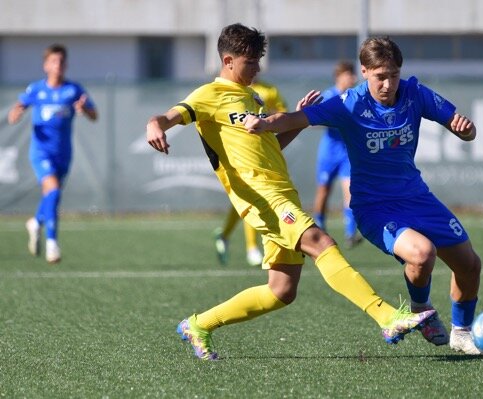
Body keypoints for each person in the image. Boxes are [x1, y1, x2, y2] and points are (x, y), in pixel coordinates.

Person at [146, 23, 435, 361]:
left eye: (258, 60)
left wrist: (292, 123)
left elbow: (271, 148)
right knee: (321, 242)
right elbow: (167, 116)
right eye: (250, 61)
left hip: (281, 191)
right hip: (262, 197)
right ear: (228, 60)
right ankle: (387, 317)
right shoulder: (208, 95)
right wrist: (155, 125)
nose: (257, 68)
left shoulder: (252, 97)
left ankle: (198, 325)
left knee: (281, 291)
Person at [245, 36, 483, 355]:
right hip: (375, 207)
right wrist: (263, 122)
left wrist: (465, 130)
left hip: (417, 197)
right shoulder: (349, 103)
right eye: (380, 76)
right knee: (422, 254)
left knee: (469, 265)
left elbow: (463, 127)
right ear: (365, 71)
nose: (388, 84)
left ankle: (462, 334)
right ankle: (421, 308)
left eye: (393, 75)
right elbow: (293, 119)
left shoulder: (414, 93)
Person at [8, 44, 98, 264]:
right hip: (41, 153)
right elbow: (14, 113)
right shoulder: (36, 90)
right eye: (54, 61)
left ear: (66, 65)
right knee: (54, 191)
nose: (58, 65)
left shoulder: (74, 90)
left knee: (52, 197)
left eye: (61, 61)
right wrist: (16, 113)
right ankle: (52, 245)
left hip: (64, 154)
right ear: (46, 65)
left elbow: (94, 115)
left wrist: (84, 110)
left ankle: (35, 222)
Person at [213, 78, 288, 267]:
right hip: (239, 154)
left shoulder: (269, 89)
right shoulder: (229, 92)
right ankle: (251, 248)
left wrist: (268, 117)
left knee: (245, 201)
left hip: (263, 152)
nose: (254, 66)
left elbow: (284, 115)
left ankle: (224, 235)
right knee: (252, 197)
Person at [312, 61, 362, 249]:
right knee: (323, 191)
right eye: (350, 75)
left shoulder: (355, 97)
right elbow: (314, 119)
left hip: (347, 153)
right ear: (340, 76)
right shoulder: (328, 96)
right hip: (329, 153)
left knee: (350, 191)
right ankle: (320, 228)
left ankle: (350, 234)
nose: (354, 79)